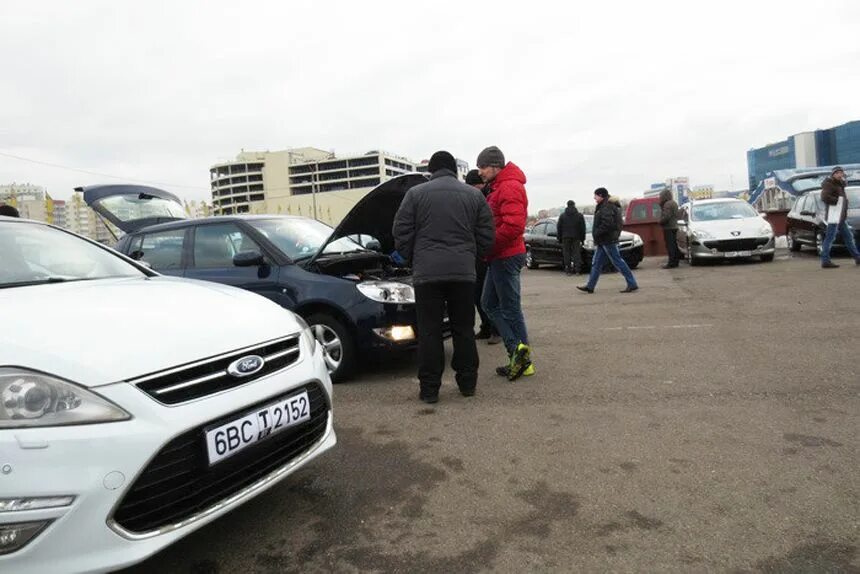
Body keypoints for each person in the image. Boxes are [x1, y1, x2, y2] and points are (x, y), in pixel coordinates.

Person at [393, 151, 495, 403]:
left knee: (430, 331)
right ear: (454, 170)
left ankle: (430, 390)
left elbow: (401, 230)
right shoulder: (474, 195)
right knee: (463, 329)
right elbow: (487, 233)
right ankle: (468, 384)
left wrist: (411, 258)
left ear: (432, 171)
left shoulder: (415, 195)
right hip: (463, 273)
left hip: (427, 275)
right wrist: (473, 256)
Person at [477, 146, 534, 381]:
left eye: (482, 167)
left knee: (510, 309)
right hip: (500, 255)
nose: (480, 172)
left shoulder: (509, 186)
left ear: (495, 166)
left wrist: (488, 246)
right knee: (489, 304)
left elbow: (513, 226)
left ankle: (522, 359)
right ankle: (518, 352)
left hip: (506, 255)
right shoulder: (500, 185)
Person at [577, 188, 639, 294]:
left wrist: (597, 232)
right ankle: (590, 286)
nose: (594, 198)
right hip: (603, 240)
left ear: (601, 196)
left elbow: (607, 223)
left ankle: (632, 283)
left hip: (607, 239)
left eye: (595, 196)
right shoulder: (605, 205)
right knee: (596, 263)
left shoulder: (606, 206)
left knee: (617, 261)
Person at [465, 169, 501, 345]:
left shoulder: (489, 197)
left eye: (474, 186)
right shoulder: (473, 198)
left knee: (490, 296)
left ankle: (496, 330)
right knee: (477, 294)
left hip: (487, 254)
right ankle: (486, 327)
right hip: (476, 254)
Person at [820, 166, 860, 269]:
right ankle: (825, 260)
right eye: (837, 173)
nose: (839, 174)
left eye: (841, 173)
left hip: (841, 216)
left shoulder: (840, 184)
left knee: (849, 237)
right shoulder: (829, 184)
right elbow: (824, 197)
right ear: (833, 174)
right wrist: (837, 201)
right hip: (834, 215)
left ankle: (857, 257)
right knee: (830, 238)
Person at [556, 200, 586, 275]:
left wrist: (559, 238)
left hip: (565, 237)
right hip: (576, 237)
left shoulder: (562, 216)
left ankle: (568, 269)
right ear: (574, 205)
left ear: (567, 205)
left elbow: (559, 227)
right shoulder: (579, 215)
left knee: (566, 253)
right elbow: (582, 228)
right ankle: (577, 270)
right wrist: (582, 239)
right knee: (576, 253)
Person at [659, 188, 681, 269]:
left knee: (670, 246)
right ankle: (675, 261)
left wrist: (660, 221)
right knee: (674, 245)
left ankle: (671, 262)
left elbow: (666, 216)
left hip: (668, 227)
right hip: (674, 226)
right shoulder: (674, 203)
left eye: (660, 196)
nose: (660, 197)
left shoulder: (667, 204)